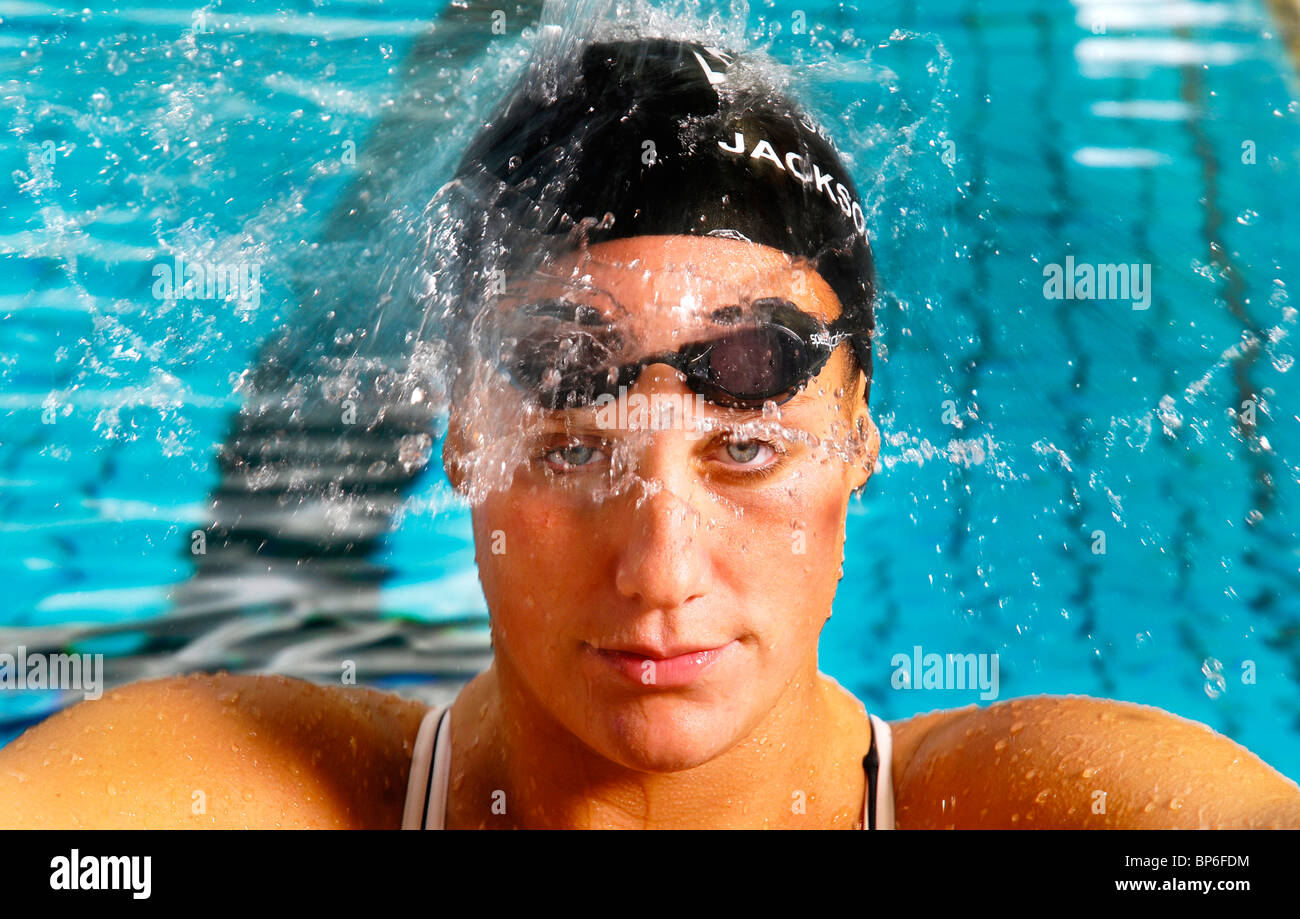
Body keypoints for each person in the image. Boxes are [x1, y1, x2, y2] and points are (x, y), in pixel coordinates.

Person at [2, 36, 1298, 830]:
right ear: (460, 436)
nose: (662, 576)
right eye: (573, 450)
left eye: (746, 450)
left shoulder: (1059, 814)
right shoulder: (230, 799)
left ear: (858, 435)